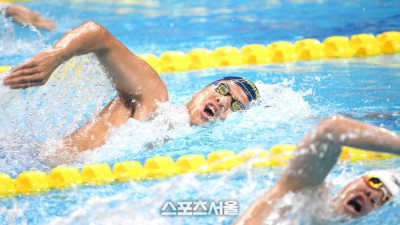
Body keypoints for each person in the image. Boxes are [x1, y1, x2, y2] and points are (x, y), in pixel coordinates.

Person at [2, 21, 259, 164]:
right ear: (201, 90)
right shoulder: (154, 98)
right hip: (24, 159)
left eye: (235, 105)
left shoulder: (185, 147)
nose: (223, 101)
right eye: (222, 90)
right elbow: (96, 34)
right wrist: (55, 56)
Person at [234, 116, 400, 224]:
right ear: (352, 182)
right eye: (375, 182)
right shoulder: (303, 193)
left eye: (385, 199)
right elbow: (331, 129)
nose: (375, 195)